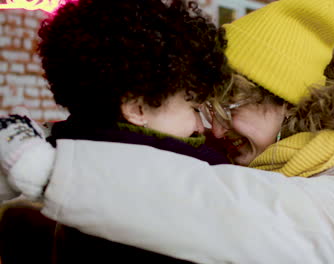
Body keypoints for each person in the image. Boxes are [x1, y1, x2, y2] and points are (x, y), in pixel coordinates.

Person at [0, 0, 334, 263]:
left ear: (290, 103)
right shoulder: (247, 144)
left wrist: (52, 170)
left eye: (229, 106)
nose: (212, 125)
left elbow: (231, 208)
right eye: (207, 107)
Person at [0, 0, 231, 262]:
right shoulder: (198, 169)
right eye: (194, 109)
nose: (201, 127)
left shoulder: (64, 146)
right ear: (138, 109)